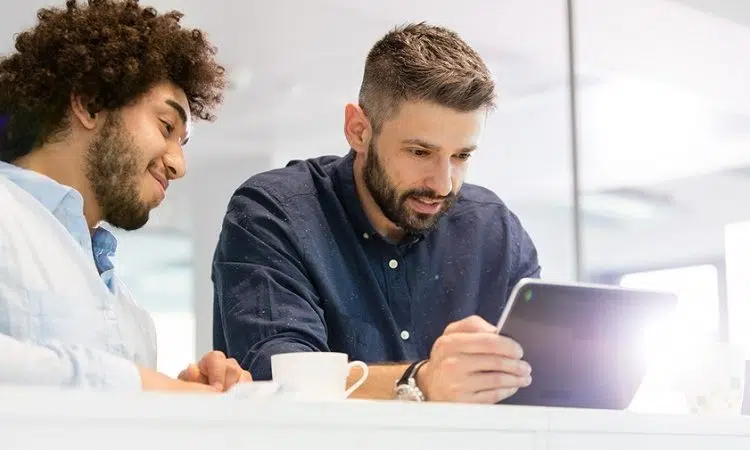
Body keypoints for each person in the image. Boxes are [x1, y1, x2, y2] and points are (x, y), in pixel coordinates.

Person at [212, 22, 538, 403]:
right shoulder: (274, 214)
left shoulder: (494, 230)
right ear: (358, 130)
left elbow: (544, 379)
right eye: (420, 152)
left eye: (461, 156)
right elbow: (280, 379)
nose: (443, 184)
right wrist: (421, 382)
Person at [0, 0, 251, 392]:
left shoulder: (132, 315)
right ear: (90, 103)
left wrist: (180, 397)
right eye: (166, 126)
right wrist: (145, 388)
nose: (178, 165)